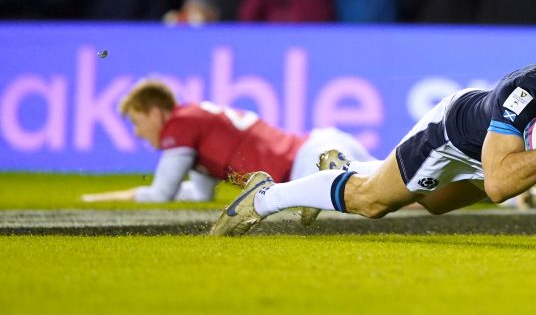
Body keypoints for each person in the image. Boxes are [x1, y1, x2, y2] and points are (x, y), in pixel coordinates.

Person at [210, 24, 536, 252]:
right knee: (372, 203)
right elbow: (497, 185)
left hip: (499, 159)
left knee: (427, 205)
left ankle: (340, 170)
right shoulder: (524, 91)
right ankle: (267, 195)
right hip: (453, 136)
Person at [81, 78, 381, 219]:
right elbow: (199, 193)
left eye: (137, 120)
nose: (137, 132)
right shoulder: (194, 123)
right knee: (399, 184)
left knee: (380, 199)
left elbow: (162, 193)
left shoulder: (179, 125)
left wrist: (112, 196)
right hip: (320, 146)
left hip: (308, 166)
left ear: (156, 112)